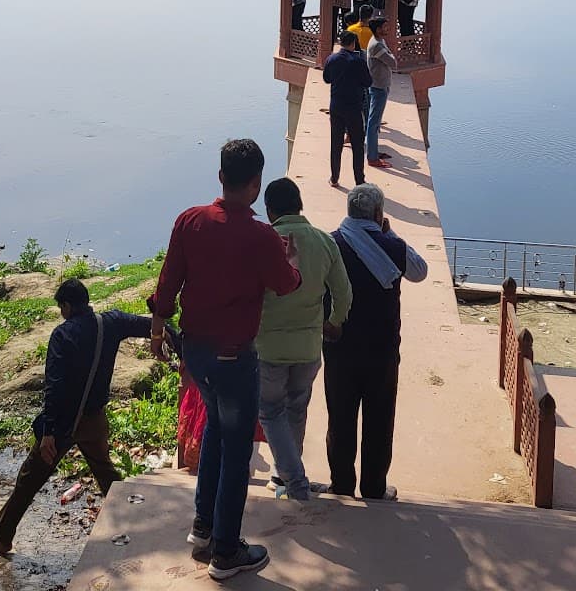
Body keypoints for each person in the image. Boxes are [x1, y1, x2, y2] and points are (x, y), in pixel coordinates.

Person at [150, 138, 301, 582]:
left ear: (220, 176)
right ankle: (226, 552)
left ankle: (203, 527)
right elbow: (286, 284)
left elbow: (168, 282)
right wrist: (288, 258)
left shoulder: (189, 221)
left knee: (217, 428)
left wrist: (157, 329)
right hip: (234, 358)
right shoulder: (262, 237)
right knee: (236, 451)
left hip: (196, 354)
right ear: (256, 184)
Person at [0, 279, 151, 556]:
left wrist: (48, 431)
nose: (61, 312)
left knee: (30, 479)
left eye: (61, 307)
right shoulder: (111, 323)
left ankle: (2, 538)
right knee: (106, 475)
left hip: (64, 425)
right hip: (95, 420)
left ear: (67, 306)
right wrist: (174, 338)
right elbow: (149, 325)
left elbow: (54, 386)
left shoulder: (62, 334)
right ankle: (136, 527)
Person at [323, 182, 426, 501]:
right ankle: (374, 487)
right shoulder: (391, 245)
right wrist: (390, 234)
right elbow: (420, 271)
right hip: (381, 350)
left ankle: (341, 485)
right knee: (379, 420)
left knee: (340, 417)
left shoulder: (331, 243)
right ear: (379, 213)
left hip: (339, 347)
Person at [255, 177, 351, 501]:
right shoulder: (324, 242)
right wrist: (334, 322)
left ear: (269, 211)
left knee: (270, 412)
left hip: (267, 347)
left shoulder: (264, 240)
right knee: (296, 411)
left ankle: (291, 479)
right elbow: (344, 293)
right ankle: (285, 477)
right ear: (300, 206)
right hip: (309, 347)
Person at [323, 30, 371, 188]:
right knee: (357, 145)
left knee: (336, 144)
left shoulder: (331, 59)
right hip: (354, 107)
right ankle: (359, 180)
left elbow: (326, 79)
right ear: (353, 43)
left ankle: (334, 178)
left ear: (340, 42)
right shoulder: (358, 61)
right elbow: (368, 82)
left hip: (336, 106)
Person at [364, 17, 397, 168]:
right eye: (385, 27)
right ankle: (372, 157)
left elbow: (390, 59)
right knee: (373, 122)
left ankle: (374, 151)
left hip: (381, 85)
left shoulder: (380, 41)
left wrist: (390, 55)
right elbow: (393, 63)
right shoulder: (376, 45)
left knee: (375, 122)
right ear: (378, 29)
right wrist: (390, 56)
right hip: (378, 87)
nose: (387, 29)